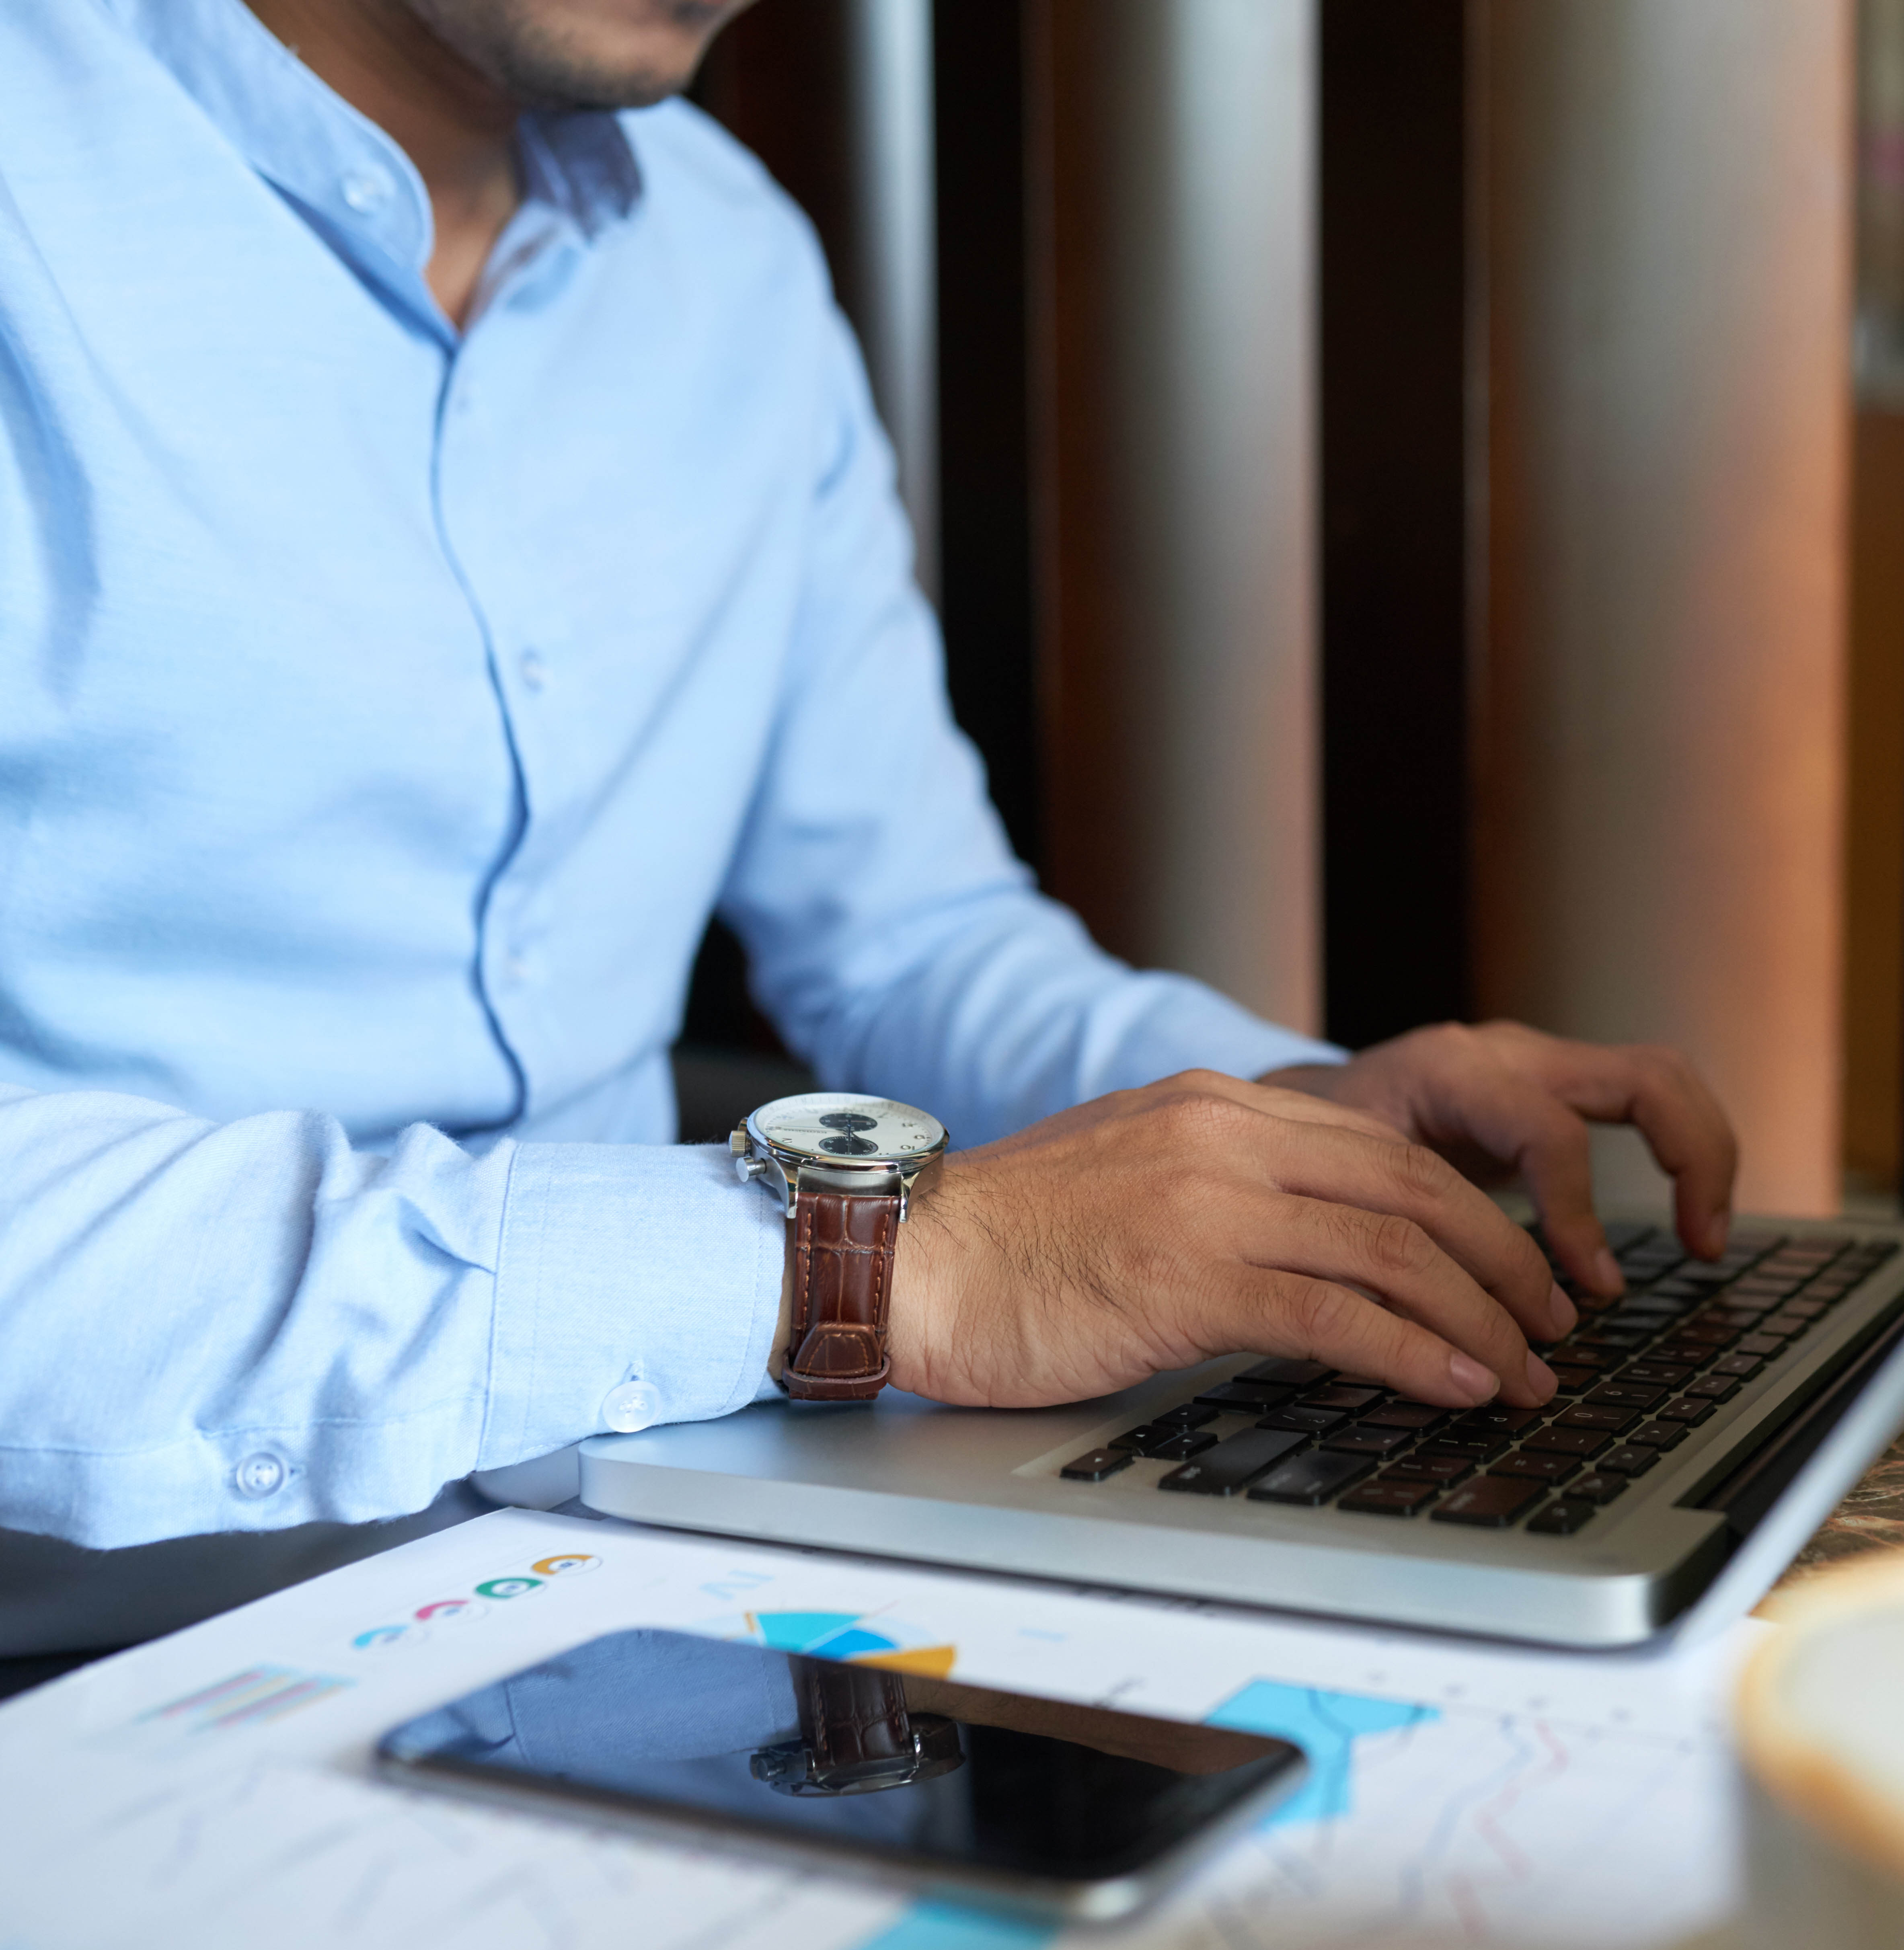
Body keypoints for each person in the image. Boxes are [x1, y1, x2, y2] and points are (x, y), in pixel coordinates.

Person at [0, 0, 1736, 1624]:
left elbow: (909, 937)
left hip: (636, 1572)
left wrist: (1288, 1131)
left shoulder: (726, 261)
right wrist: (862, 1265)